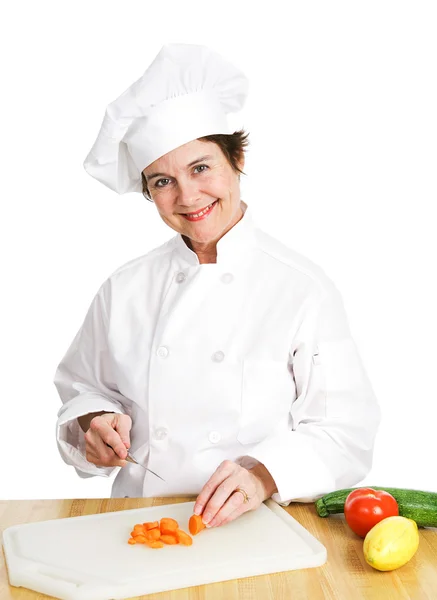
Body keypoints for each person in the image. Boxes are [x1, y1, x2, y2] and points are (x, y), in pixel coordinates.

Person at [54, 43, 381, 530]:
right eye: (162, 181)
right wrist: (93, 424)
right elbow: (83, 387)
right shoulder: (123, 289)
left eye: (200, 168)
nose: (187, 196)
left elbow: (344, 431)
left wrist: (262, 477)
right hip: (137, 523)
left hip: (259, 525)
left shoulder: (300, 289)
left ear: (237, 158)